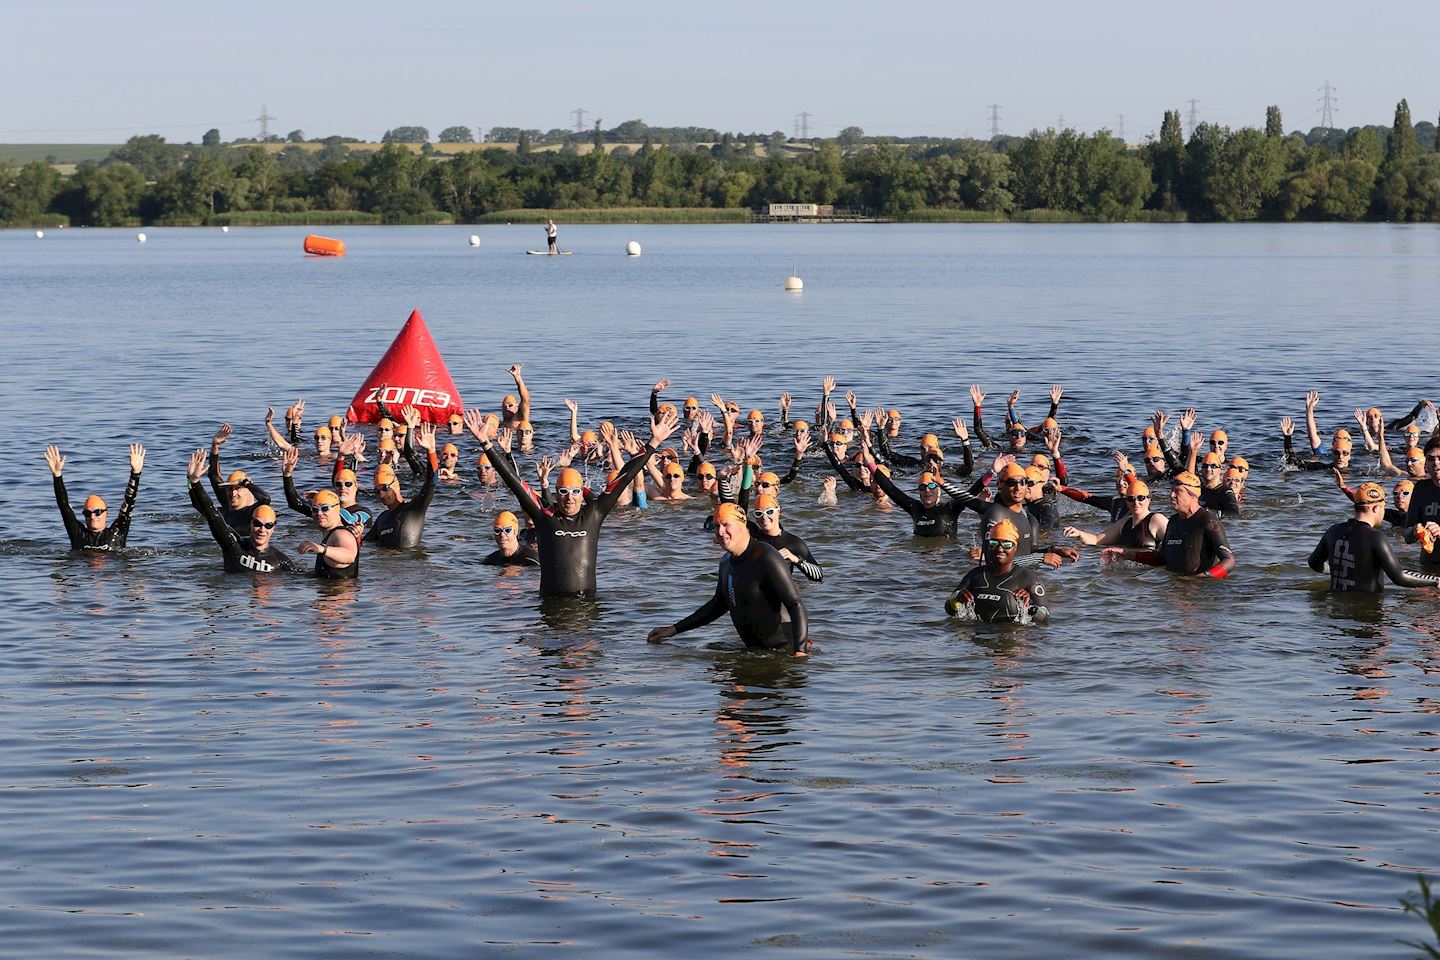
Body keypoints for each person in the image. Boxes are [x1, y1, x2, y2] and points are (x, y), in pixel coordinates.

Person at [469, 406, 679, 597]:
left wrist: (654, 442)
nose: (569, 497)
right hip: (551, 608)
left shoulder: (594, 513)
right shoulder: (544, 516)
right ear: (556, 492)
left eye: (575, 491)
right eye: (563, 491)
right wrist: (486, 443)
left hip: (587, 607)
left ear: (582, 492)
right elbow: (513, 481)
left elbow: (626, 475)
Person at [647, 503, 811, 656]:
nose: (720, 531)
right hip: (755, 652)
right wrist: (674, 629)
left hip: (783, 651)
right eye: (717, 526)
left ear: (743, 525)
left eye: (726, 525)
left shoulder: (766, 556)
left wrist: (800, 651)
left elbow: (795, 603)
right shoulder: (726, 562)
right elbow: (718, 605)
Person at [1308, 482, 1439, 592]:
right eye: (1383, 507)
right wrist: (1435, 581)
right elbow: (1399, 577)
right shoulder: (1375, 537)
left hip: (1335, 609)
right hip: (1365, 612)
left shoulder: (1333, 530)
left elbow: (1313, 563)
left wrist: (1335, 570)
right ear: (1376, 508)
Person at [186, 449, 302, 573]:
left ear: (273, 528)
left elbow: (302, 579)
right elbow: (212, 514)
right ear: (251, 524)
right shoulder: (233, 545)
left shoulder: (280, 560)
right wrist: (194, 482)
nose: (262, 530)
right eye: (257, 524)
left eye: (268, 526)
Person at [1103, 471, 1235, 577]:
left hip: (1200, 593)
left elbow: (1229, 561)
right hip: (1173, 589)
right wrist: (1125, 553)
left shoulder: (1207, 521)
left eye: (1177, 491)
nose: (1171, 495)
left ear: (1193, 495)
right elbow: (1161, 558)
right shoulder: (1173, 521)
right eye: (1171, 491)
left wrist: (1203, 577)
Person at [44, 443, 145, 552]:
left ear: (106, 513)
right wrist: (57, 475)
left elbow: (129, 503)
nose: (92, 517)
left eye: (97, 512)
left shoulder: (118, 531)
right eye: (87, 513)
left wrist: (135, 474)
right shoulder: (78, 534)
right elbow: (64, 506)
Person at [945, 519, 1050, 623]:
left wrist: (1030, 607)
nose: (1000, 549)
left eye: (1007, 545)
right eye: (994, 543)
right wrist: (956, 600)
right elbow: (949, 609)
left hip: (1010, 636)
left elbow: (1045, 617)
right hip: (978, 636)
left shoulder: (1029, 579)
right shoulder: (975, 575)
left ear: (1015, 547)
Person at [371, 423, 437, 549]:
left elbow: (431, 482)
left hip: (409, 564)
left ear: (396, 485)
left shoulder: (414, 509)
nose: (381, 495)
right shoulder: (382, 519)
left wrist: (431, 451)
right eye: (377, 491)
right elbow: (365, 544)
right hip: (386, 566)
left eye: (385, 488)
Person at [1064, 476, 1167, 548]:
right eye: (1131, 499)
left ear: (1149, 499)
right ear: (1126, 501)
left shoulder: (1156, 520)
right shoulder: (1125, 523)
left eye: (1141, 498)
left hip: (1149, 576)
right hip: (1128, 574)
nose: (1136, 502)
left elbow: (1176, 541)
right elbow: (1096, 540)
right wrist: (1079, 533)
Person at [748, 494, 823, 582]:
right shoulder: (751, 535)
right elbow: (732, 510)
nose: (764, 517)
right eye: (758, 513)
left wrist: (795, 559)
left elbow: (819, 575)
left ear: (779, 512)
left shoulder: (793, 542)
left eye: (769, 512)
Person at [298, 489, 360, 579]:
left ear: (337, 509)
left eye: (325, 509)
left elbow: (349, 556)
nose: (319, 513)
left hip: (340, 590)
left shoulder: (341, 534)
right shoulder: (331, 533)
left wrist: (322, 549)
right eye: (315, 509)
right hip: (330, 590)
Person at [1402, 438, 1440, 570]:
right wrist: (1415, 531)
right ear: (1426, 463)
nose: (1436, 463)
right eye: (1431, 459)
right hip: (1427, 564)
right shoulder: (1421, 488)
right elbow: (1406, 535)